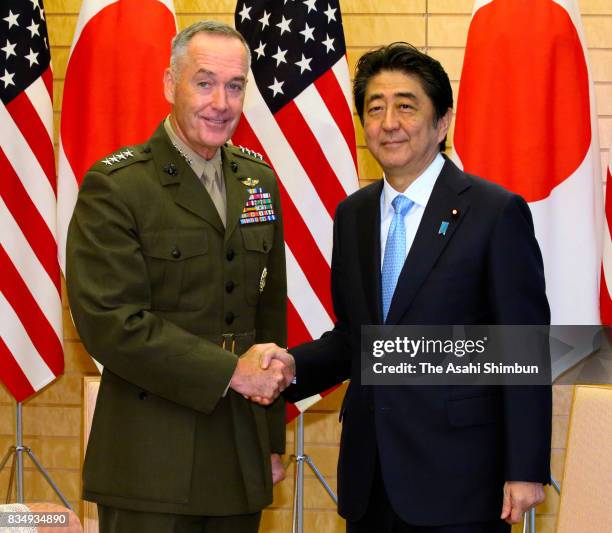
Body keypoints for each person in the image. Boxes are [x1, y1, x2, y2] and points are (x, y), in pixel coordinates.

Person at [280, 43, 552, 532]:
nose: (389, 122)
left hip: (461, 478)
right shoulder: (353, 215)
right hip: (370, 476)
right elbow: (356, 342)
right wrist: (288, 368)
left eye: (406, 106)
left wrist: (526, 469)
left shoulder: (494, 212)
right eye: (375, 108)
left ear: (442, 122)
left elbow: (521, 347)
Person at [66, 21, 294, 533]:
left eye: (235, 87)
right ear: (171, 84)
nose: (221, 102)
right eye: (205, 82)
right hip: (151, 461)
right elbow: (112, 323)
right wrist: (233, 372)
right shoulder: (119, 186)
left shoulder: (258, 180)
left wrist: (271, 442)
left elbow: (268, 315)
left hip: (238, 454)